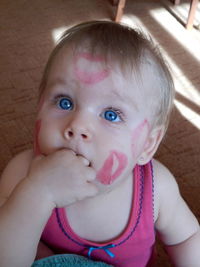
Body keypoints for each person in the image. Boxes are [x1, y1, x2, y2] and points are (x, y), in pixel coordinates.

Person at [0, 20, 199, 267]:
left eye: (111, 114)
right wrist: (37, 194)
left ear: (148, 145)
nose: (78, 126)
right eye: (64, 102)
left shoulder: (157, 188)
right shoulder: (20, 175)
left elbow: (189, 238)